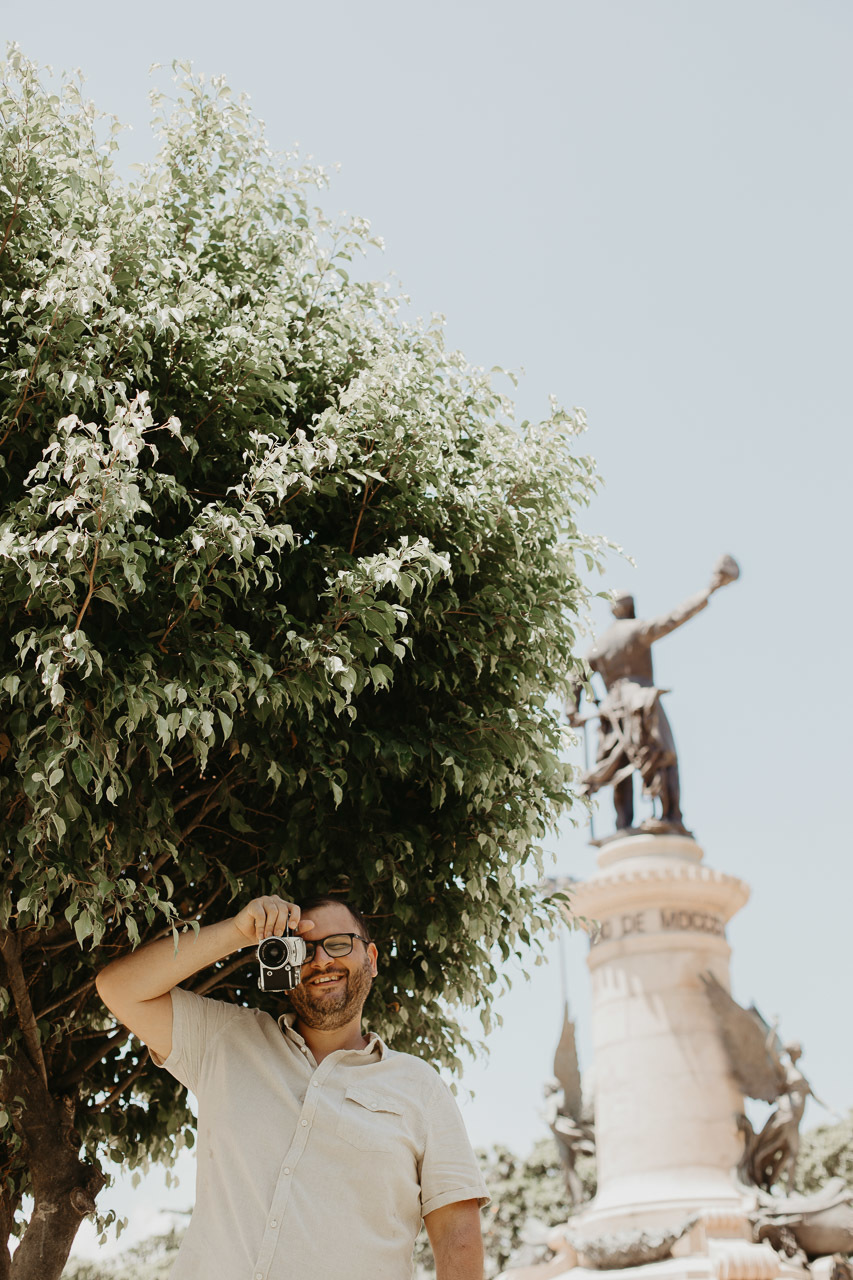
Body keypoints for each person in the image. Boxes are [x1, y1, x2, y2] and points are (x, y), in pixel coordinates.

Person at [96, 894, 488, 1279]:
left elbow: (458, 1236)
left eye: (338, 944)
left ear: (370, 960)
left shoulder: (419, 1085)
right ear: (281, 969)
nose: (321, 961)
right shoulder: (225, 1040)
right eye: (301, 950)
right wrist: (237, 932)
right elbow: (119, 988)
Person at [568, 556, 739, 833]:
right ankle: (669, 816)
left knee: (620, 763)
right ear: (631, 609)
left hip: (611, 709)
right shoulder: (637, 630)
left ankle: (623, 824)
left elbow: (575, 676)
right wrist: (710, 590)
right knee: (662, 755)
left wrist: (572, 712)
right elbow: (675, 617)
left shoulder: (599, 645)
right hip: (640, 700)